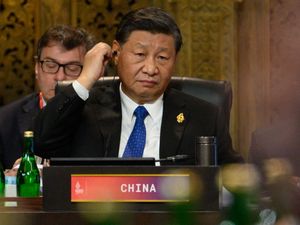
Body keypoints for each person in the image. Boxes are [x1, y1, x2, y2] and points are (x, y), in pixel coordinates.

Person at [34, 7, 243, 165]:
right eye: (140, 55)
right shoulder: (84, 109)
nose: (151, 68)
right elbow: (42, 143)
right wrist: (85, 80)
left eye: (162, 57)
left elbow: (237, 181)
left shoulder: (204, 116)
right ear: (116, 53)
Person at [0, 24, 95, 169]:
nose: (60, 77)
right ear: (37, 68)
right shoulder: (5, 121)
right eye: (50, 65)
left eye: (73, 68)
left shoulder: (100, 120)